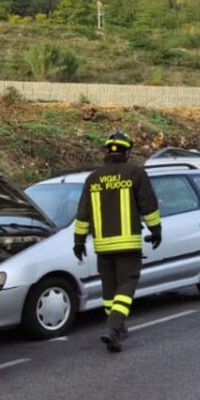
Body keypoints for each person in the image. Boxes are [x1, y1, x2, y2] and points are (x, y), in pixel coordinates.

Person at [73, 130, 162, 353]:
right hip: (128, 244)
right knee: (128, 284)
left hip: (102, 246)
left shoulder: (93, 178)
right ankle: (113, 329)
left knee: (109, 290)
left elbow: (83, 213)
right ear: (127, 152)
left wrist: (79, 241)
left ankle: (118, 327)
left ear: (107, 151)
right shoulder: (135, 173)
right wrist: (156, 230)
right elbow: (148, 206)